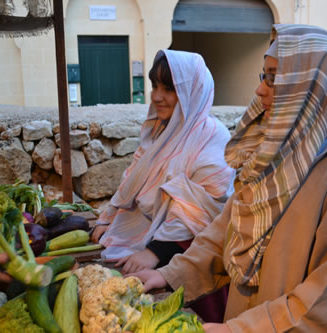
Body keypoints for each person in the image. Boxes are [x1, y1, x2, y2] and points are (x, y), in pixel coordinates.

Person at [132, 24, 327, 332]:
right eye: (264, 76)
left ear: (311, 85)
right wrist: (170, 275)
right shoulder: (274, 150)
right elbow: (228, 229)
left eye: (274, 78)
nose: (260, 89)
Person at [91, 50, 235, 322]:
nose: (156, 96)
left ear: (192, 90)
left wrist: (156, 252)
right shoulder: (159, 131)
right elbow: (132, 179)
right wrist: (109, 215)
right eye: (155, 85)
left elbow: (204, 209)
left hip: (194, 263)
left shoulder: (213, 139)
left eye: (169, 88)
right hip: (153, 250)